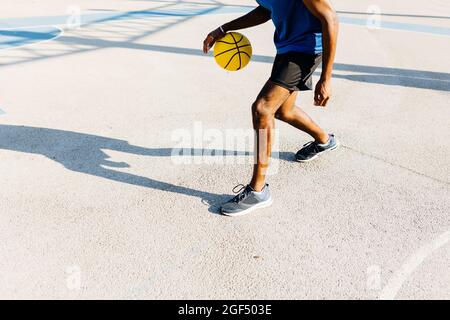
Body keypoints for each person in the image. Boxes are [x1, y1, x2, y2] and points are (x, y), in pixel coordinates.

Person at [203, 0, 340, 216]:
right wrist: (224, 28)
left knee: (262, 109)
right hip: (288, 49)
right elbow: (267, 9)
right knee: (284, 111)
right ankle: (324, 140)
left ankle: (257, 191)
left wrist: (326, 77)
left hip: (305, 50)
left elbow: (329, 17)